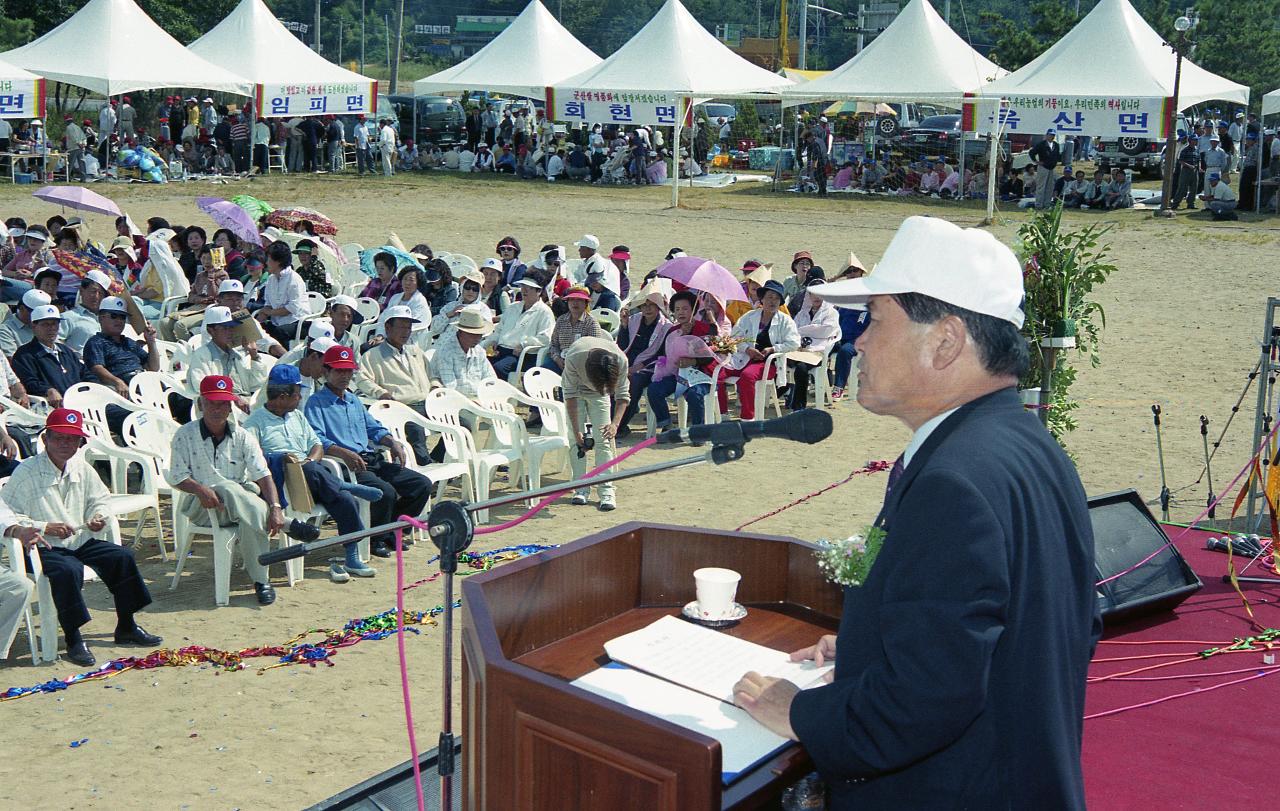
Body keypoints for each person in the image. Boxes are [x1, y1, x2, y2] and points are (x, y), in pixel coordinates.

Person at [735, 215, 1098, 810]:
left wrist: (798, 709)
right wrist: (867, 646)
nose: (858, 340)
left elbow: (921, 704)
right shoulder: (1031, 447)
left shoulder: (953, 483)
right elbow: (1059, 627)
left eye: (875, 320)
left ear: (946, 339)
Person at [3, 408, 162, 667]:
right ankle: (73, 637)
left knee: (122, 556)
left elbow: (99, 499)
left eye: (73, 439)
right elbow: (9, 516)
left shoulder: (82, 467)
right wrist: (45, 526)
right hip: (41, 547)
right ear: (46, 439)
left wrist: (98, 517)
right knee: (69, 570)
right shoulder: (27, 471)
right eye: (60, 438)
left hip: (77, 540)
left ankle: (126, 624)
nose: (66, 444)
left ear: (80, 442)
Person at [246, 364, 379, 583]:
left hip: (313, 478)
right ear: (281, 397)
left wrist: (309, 461)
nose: (300, 399)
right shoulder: (256, 423)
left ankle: (352, 557)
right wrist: (289, 464)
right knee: (301, 468)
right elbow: (254, 461)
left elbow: (316, 445)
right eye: (297, 394)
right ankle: (341, 484)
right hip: (286, 487)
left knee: (344, 499)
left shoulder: (297, 416)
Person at [168, 375, 295, 606]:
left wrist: (275, 506)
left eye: (223, 403)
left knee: (246, 511)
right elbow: (177, 477)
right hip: (203, 507)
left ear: (230, 406)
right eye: (212, 403)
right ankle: (286, 525)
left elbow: (263, 474)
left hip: (239, 506)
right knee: (229, 488)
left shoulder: (242, 435)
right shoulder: (184, 435)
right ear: (200, 404)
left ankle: (261, 582)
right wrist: (201, 490)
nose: (218, 409)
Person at [304, 345, 432, 558]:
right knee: (385, 492)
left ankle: (392, 530)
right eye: (339, 370)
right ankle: (376, 539)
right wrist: (342, 452)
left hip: (370, 459)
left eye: (348, 371)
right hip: (346, 465)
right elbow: (316, 438)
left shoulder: (353, 399)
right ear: (326, 371)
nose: (345, 376)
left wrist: (391, 442)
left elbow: (373, 427)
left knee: (421, 485)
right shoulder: (316, 403)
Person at [560, 336, 629, 511]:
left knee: (604, 439)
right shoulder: (574, 357)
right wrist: (577, 431)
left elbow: (622, 396)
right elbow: (570, 397)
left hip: (601, 394)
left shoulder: (621, 361)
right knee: (576, 442)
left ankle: (606, 490)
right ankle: (580, 487)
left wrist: (615, 424)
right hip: (576, 390)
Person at [718, 280, 800, 421]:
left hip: (768, 363)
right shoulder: (749, 316)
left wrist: (773, 349)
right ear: (762, 299)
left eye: (776, 298)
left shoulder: (785, 321)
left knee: (747, 376)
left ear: (780, 301)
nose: (772, 301)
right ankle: (722, 413)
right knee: (717, 372)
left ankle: (748, 418)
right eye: (769, 297)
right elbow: (735, 336)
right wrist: (747, 349)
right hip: (744, 358)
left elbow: (794, 343)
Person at [363, 305, 435, 463]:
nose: (406, 332)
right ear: (388, 328)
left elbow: (432, 375)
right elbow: (362, 379)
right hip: (402, 405)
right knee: (415, 428)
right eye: (401, 327)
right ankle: (426, 466)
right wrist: (380, 392)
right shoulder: (373, 355)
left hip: (427, 403)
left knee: (463, 423)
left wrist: (435, 386)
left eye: (408, 327)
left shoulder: (415, 351)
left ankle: (435, 459)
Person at [642, 289, 714, 433]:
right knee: (654, 390)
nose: (681, 312)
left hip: (701, 377)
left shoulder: (705, 329)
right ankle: (667, 424)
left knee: (694, 394)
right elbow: (664, 353)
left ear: (693, 310)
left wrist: (693, 361)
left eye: (685, 308)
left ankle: (698, 431)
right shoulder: (672, 331)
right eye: (677, 309)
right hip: (676, 375)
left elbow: (711, 355)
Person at [184, 306, 271, 411]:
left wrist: (254, 356)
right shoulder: (202, 355)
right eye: (224, 328)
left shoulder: (236, 355)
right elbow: (202, 387)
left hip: (247, 402)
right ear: (211, 330)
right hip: (221, 407)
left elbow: (255, 384)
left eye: (231, 327)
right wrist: (233, 399)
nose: (229, 332)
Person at [614, 288, 671, 435]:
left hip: (651, 367)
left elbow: (662, 353)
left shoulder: (666, 326)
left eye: (651, 305)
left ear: (658, 306)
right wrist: (624, 326)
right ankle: (608, 421)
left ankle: (620, 425)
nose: (647, 308)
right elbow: (623, 346)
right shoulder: (634, 320)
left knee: (634, 381)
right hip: (628, 362)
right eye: (644, 305)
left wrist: (639, 366)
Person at [83, 296, 159, 399]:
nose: (119, 321)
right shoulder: (96, 342)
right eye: (114, 316)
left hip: (143, 382)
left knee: (180, 399)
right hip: (121, 388)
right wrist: (117, 381)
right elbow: (97, 368)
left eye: (122, 317)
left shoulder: (129, 342)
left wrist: (151, 342)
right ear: (101, 318)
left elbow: (153, 367)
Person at [12, 304, 83, 409]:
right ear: (33, 326)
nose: (52, 328)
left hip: (80, 402)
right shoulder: (24, 354)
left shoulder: (65, 351)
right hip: (51, 407)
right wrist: (48, 390)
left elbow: (84, 373)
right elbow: (29, 382)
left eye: (55, 324)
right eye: (46, 324)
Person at [484, 278, 554, 380]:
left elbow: (546, 338)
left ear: (538, 291)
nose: (524, 290)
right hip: (500, 350)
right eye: (522, 287)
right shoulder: (513, 307)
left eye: (529, 288)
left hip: (522, 354)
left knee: (497, 368)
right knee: (481, 362)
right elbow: (499, 329)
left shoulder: (544, 312)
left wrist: (524, 343)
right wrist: (494, 340)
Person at [787, 279, 839, 411]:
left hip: (818, 352)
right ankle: (785, 395)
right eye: (813, 294)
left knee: (801, 368)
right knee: (776, 361)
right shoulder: (803, 313)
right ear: (808, 296)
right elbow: (793, 330)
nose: (816, 297)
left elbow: (826, 330)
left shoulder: (831, 313)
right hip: (799, 350)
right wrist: (811, 329)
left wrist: (803, 330)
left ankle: (798, 407)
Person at [830, 259, 870, 402]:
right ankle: (820, 381)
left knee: (845, 351)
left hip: (860, 339)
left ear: (861, 273)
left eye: (855, 271)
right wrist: (836, 278)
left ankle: (838, 387)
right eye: (849, 272)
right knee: (823, 348)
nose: (852, 274)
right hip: (841, 335)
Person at [433, 308, 496, 398]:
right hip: (455, 401)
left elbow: (491, 378)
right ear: (461, 332)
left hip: (480, 397)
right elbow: (450, 387)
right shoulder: (446, 352)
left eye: (480, 335)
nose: (478, 339)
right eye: (473, 335)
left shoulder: (479, 351)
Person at [255, 241, 307, 346]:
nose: (266, 263)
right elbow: (268, 303)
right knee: (258, 330)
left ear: (278, 262)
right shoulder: (271, 279)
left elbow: (292, 309)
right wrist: (259, 319)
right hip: (277, 320)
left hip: (297, 321)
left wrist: (269, 312)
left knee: (279, 332)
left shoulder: (294, 279)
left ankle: (283, 358)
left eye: (269, 260)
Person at [544, 287, 601, 373]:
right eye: (572, 300)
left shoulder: (591, 322)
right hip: (560, 361)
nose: (575, 303)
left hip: (581, 366)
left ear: (586, 304)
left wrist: (574, 363)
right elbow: (553, 345)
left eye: (579, 300)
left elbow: (594, 350)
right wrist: (557, 359)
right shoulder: (561, 320)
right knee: (538, 375)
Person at [62, 269, 115, 356]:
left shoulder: (108, 320)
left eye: (101, 293)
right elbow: (54, 341)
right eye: (93, 291)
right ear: (82, 291)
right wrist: (75, 355)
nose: (96, 296)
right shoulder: (68, 317)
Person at [1028, 130, 1061, 209]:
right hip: (1043, 167)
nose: (1052, 137)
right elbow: (1032, 152)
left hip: (1052, 168)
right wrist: (1036, 161)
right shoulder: (1041, 144)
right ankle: (1039, 204)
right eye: (1050, 135)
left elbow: (1057, 155)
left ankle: (1047, 204)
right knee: (1041, 186)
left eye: (1053, 135)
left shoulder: (1056, 145)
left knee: (1050, 187)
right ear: (1046, 135)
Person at [1173, 134, 1200, 210]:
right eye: (1194, 140)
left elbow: (1198, 160)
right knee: (1182, 188)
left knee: (1194, 188)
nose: (1195, 141)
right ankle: (1176, 203)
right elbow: (1180, 161)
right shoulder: (1185, 150)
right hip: (1186, 170)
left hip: (1195, 171)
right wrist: (1189, 165)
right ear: (1190, 141)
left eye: (1196, 140)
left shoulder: (1197, 149)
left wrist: (1199, 167)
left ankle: (1191, 203)